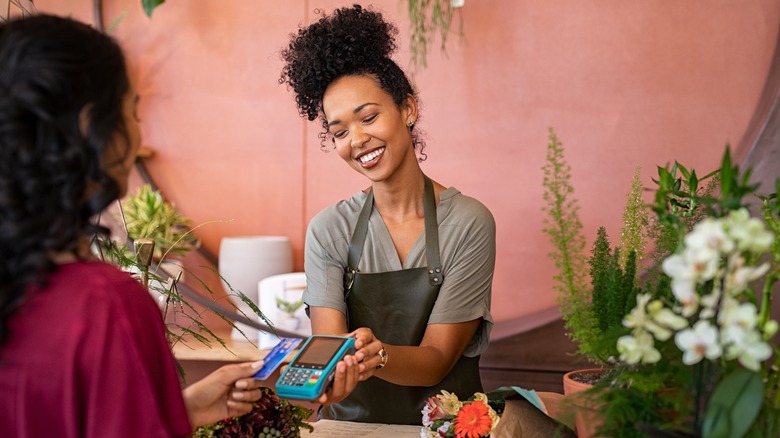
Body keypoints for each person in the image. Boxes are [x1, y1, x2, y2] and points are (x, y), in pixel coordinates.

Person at [0, 14, 265, 437]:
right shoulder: (107, 306)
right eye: (132, 111)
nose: (137, 129)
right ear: (92, 127)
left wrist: (179, 408)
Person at [279, 4, 496, 425]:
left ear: (408, 109)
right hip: (350, 428)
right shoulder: (329, 230)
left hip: (447, 428)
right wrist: (330, 373)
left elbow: (437, 359)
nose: (357, 140)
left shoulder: (469, 222)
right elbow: (328, 348)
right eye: (339, 132)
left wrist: (374, 353)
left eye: (369, 117)